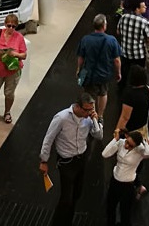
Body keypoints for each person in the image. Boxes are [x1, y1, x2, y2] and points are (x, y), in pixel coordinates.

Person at [38, 93, 103, 226]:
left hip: (81, 159)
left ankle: (68, 221)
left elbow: (99, 136)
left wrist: (96, 120)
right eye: (86, 110)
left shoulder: (89, 118)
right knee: (66, 198)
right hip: (66, 162)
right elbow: (48, 139)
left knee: (77, 194)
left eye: (91, 110)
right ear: (78, 107)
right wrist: (44, 160)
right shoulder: (61, 118)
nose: (89, 113)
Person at [0, 14, 27, 124]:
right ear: (5, 24)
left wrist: (15, 54)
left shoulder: (19, 37)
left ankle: (7, 112)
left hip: (13, 71)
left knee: (9, 93)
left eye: (13, 26)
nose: (11, 28)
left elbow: (24, 55)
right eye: (9, 25)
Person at [102, 130, 149, 226]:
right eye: (127, 142)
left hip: (127, 185)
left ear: (136, 145)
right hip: (115, 181)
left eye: (130, 145)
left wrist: (145, 142)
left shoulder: (140, 150)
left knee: (125, 212)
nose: (126, 146)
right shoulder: (121, 143)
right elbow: (105, 154)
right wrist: (115, 139)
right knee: (110, 208)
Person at [77, 14, 121, 124]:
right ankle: (100, 116)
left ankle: (91, 116)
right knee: (103, 93)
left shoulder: (86, 39)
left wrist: (78, 69)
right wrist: (118, 73)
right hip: (104, 74)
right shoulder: (111, 40)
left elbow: (81, 57)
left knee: (89, 96)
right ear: (104, 26)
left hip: (89, 74)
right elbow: (116, 60)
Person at [114, 64, 149, 156]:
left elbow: (125, 117)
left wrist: (117, 133)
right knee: (140, 154)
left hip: (132, 131)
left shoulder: (129, 94)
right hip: (146, 129)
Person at [117, 2, 149, 88]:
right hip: (139, 55)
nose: (145, 7)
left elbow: (118, 32)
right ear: (137, 9)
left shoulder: (123, 17)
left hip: (125, 52)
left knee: (124, 72)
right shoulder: (145, 22)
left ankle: (122, 88)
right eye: (143, 6)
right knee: (139, 74)